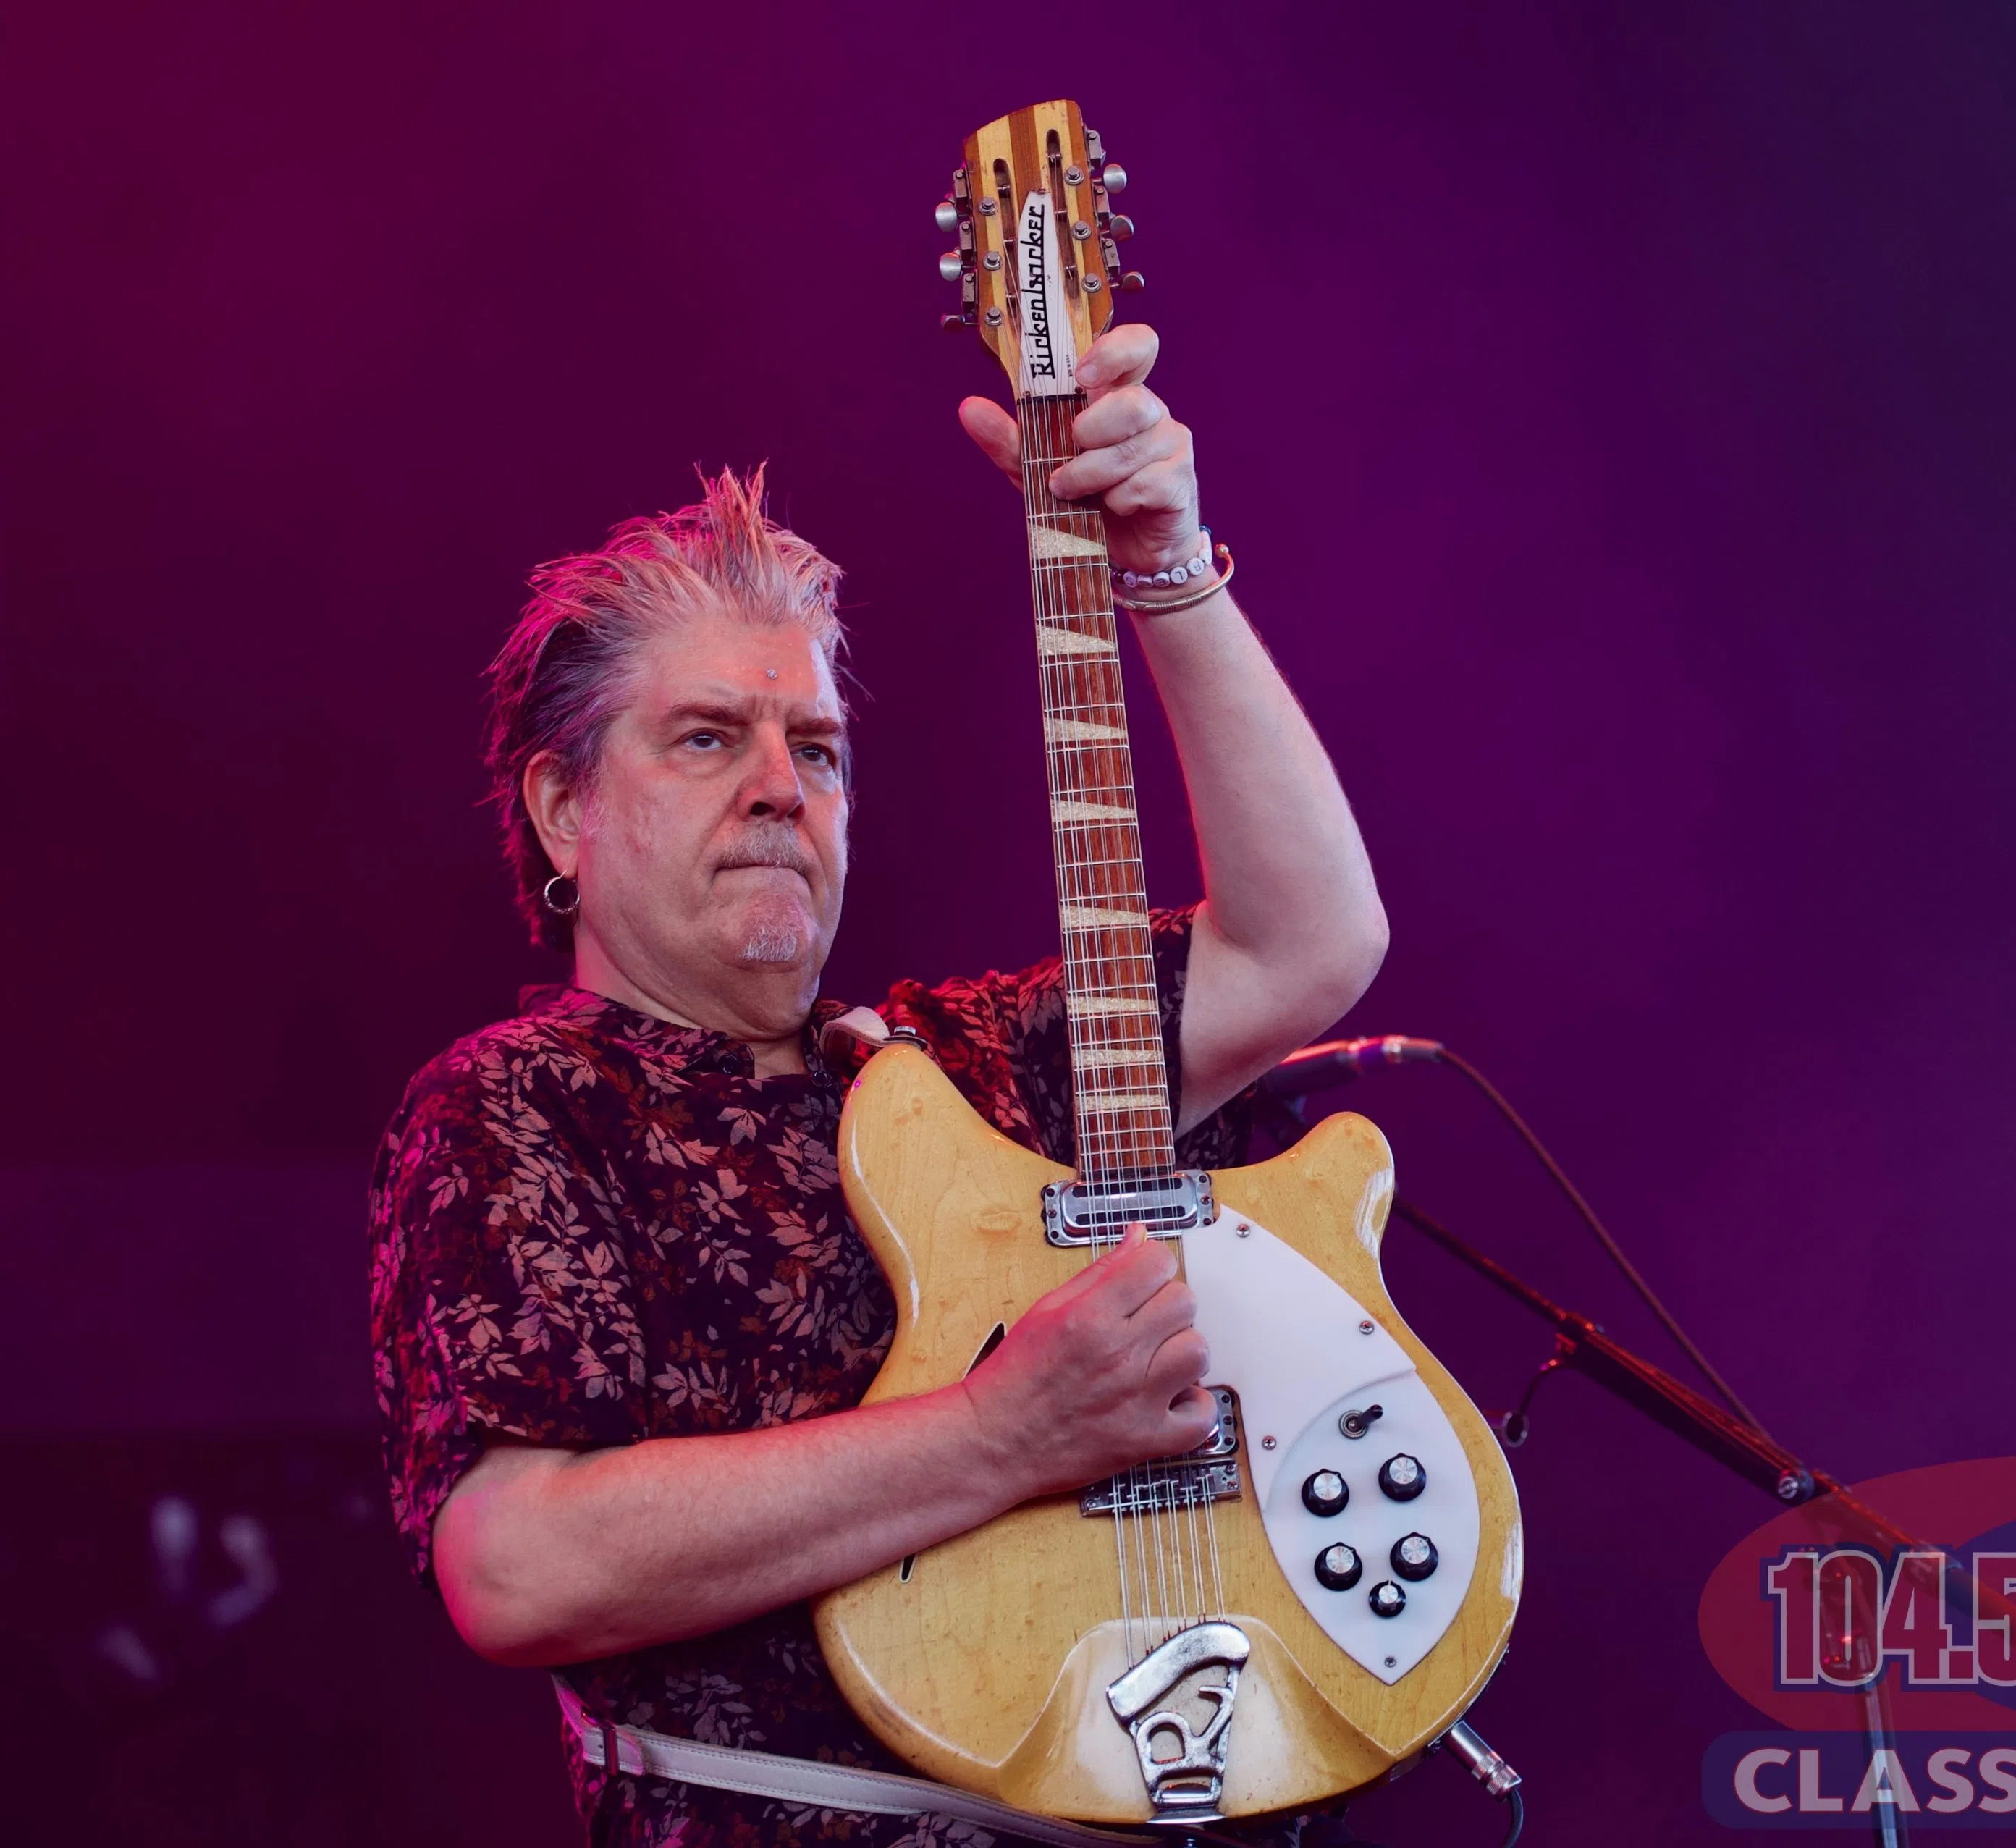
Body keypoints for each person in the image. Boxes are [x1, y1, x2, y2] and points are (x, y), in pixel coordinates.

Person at [369, 324, 1388, 1847]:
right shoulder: (516, 1105)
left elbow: (1310, 942)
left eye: (819, 748)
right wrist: (1001, 1433)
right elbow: (519, 1568)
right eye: (707, 737)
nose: (782, 785)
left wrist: (1168, 566)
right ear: (565, 808)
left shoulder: (968, 1058)